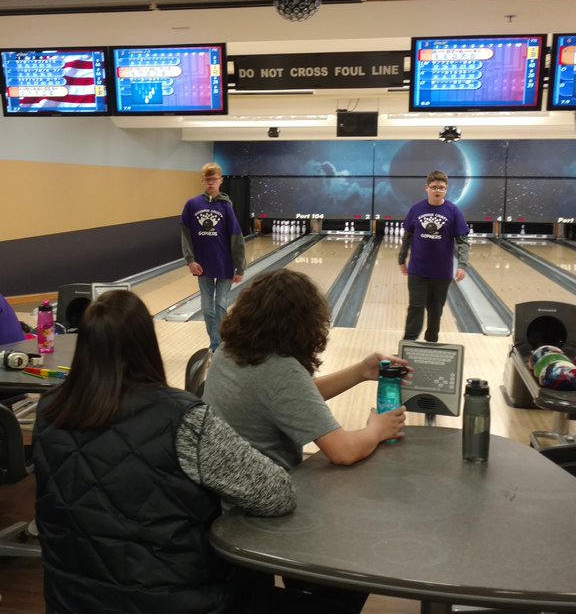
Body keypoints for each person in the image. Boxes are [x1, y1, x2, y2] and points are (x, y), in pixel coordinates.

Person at [34, 289, 305, 614]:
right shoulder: (183, 419)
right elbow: (276, 494)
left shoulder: (49, 410)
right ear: (146, 345)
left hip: (70, 603)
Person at [202, 269, 408, 612]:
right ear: (304, 325)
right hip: (261, 511)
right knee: (361, 547)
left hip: (223, 498)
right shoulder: (280, 369)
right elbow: (342, 451)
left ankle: (303, 583)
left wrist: (360, 371)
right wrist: (376, 428)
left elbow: (295, 399)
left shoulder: (229, 352)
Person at [399, 170, 470, 343]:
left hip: (441, 272)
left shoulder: (453, 211)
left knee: (435, 310)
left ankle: (431, 341)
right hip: (417, 269)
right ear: (427, 188)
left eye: (442, 188)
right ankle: (408, 343)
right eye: (434, 187)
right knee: (415, 307)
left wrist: (462, 264)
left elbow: (462, 241)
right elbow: (407, 236)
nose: (438, 190)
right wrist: (401, 259)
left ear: (446, 189)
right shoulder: (416, 209)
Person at [181, 162, 245, 352]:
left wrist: (240, 268)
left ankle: (219, 345)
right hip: (203, 265)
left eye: (214, 179)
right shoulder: (192, 205)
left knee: (221, 305)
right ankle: (216, 342)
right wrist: (190, 260)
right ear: (202, 181)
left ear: (221, 181)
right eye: (207, 180)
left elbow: (236, 237)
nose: (210, 183)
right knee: (208, 309)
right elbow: (185, 234)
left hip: (225, 264)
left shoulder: (226, 206)